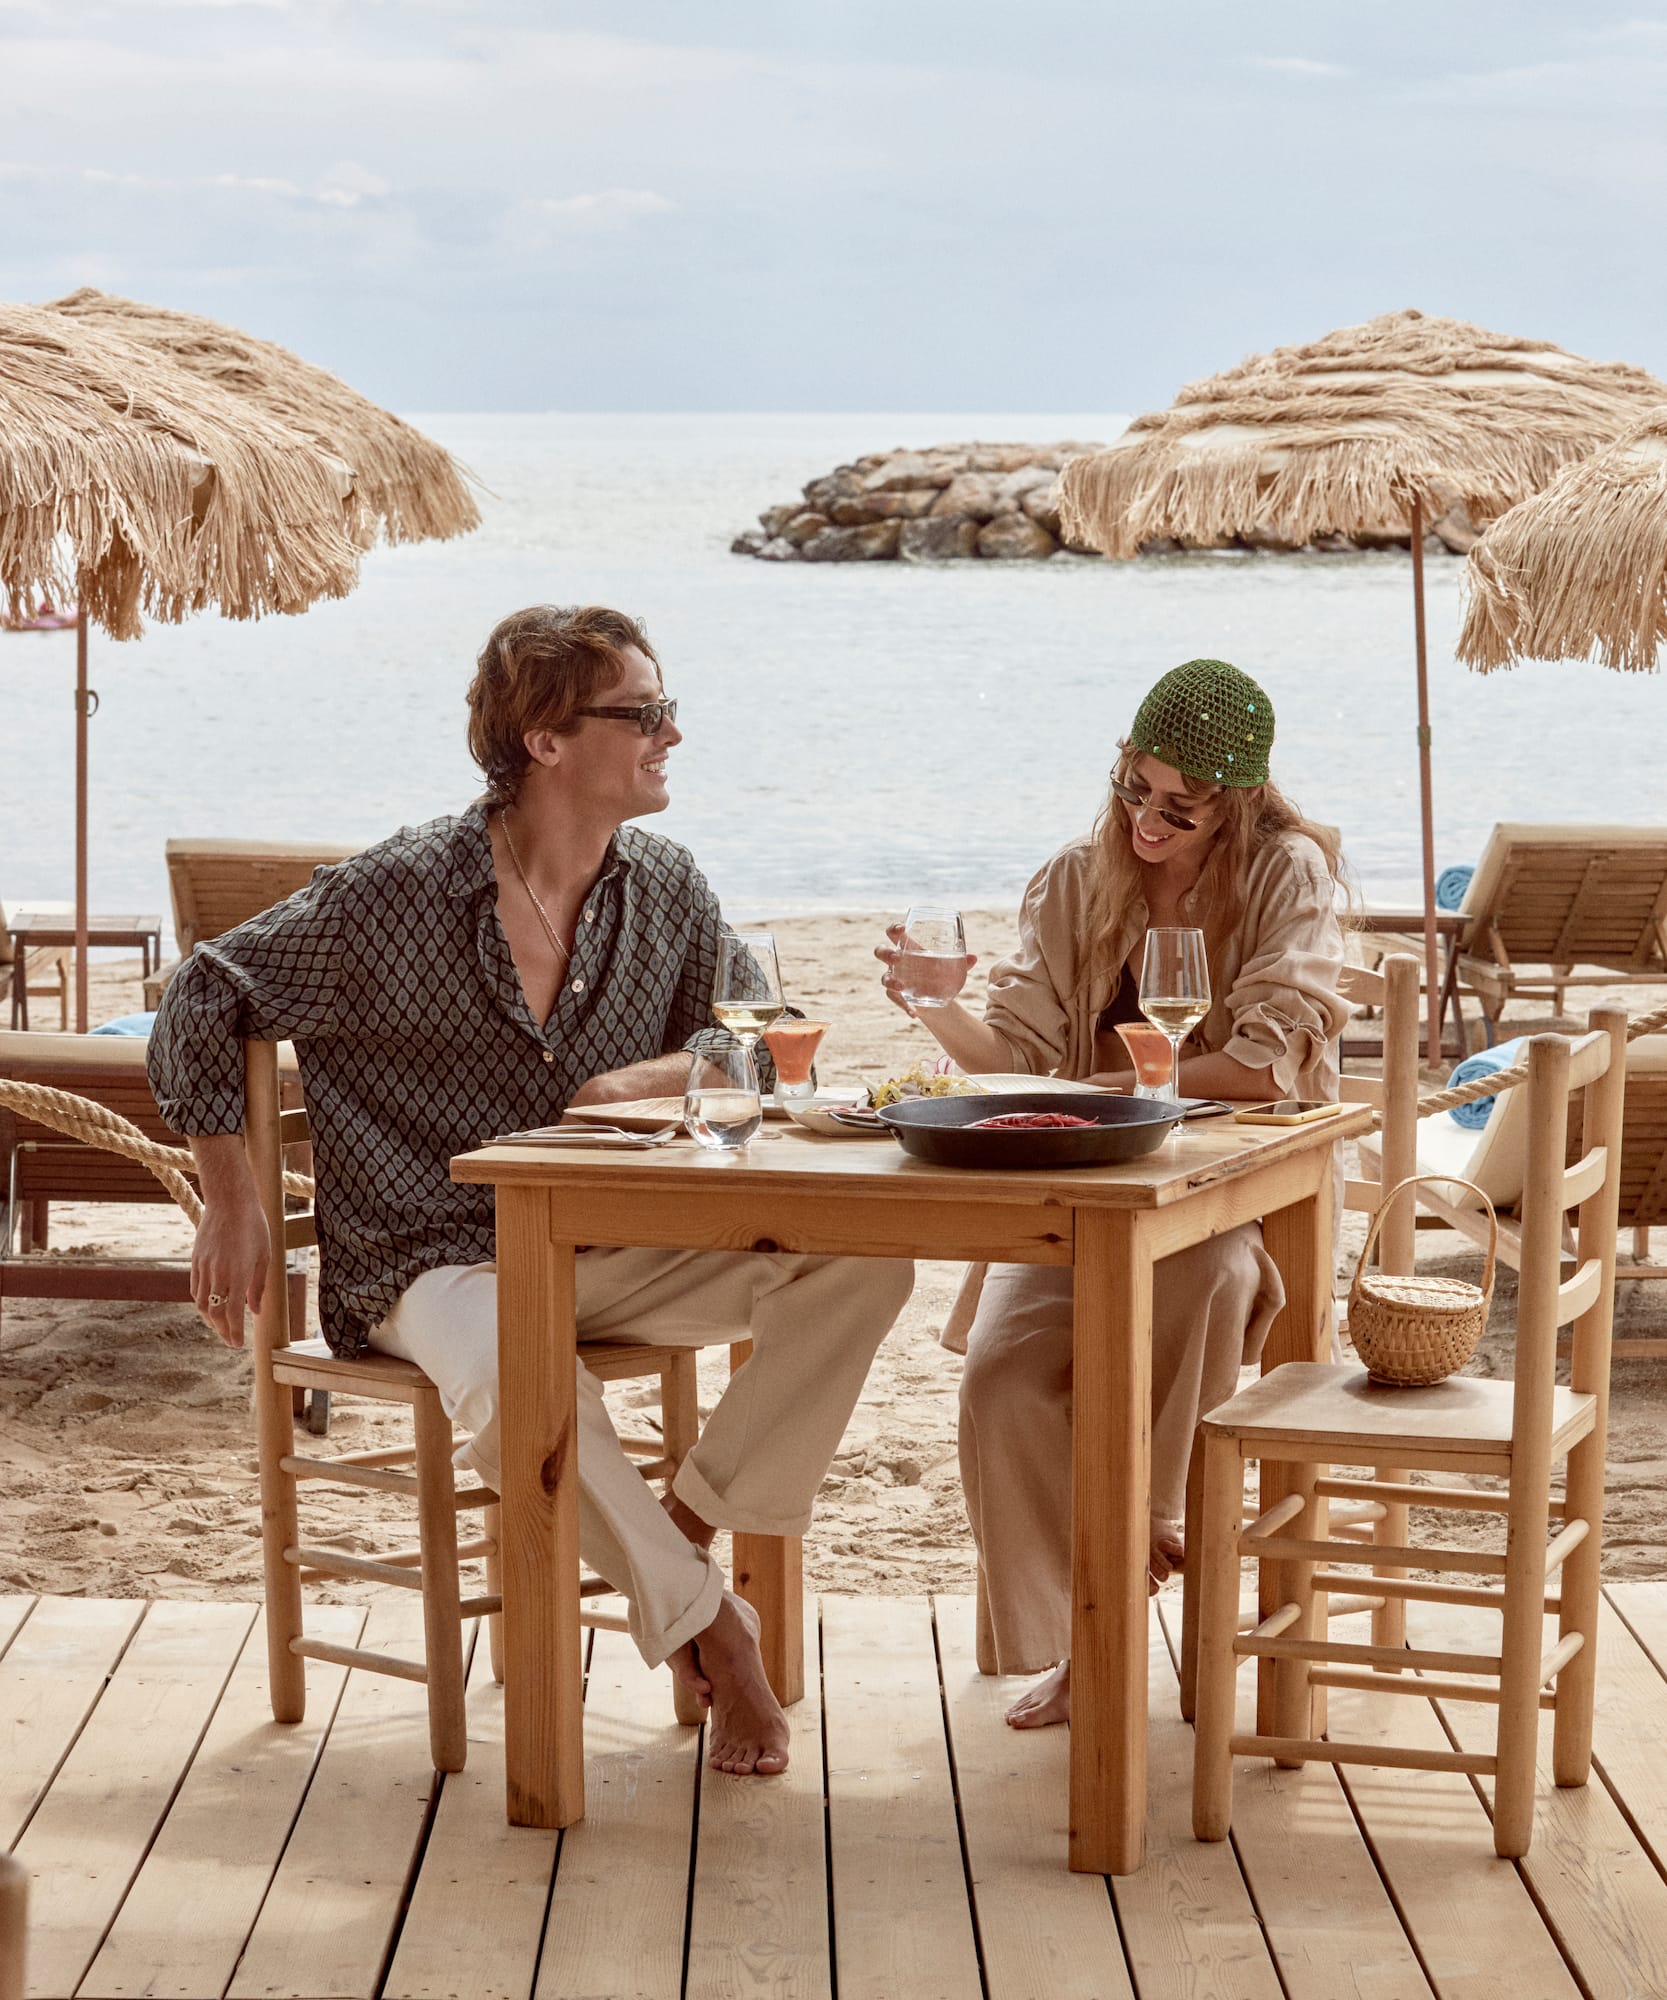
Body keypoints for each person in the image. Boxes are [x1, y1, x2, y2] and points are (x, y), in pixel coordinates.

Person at [149, 603, 913, 1778]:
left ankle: (676, 1535)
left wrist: (637, 1073)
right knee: (517, 1368)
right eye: (643, 712)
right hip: (426, 1258)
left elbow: (761, 1037)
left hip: (604, 1242)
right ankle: (712, 1620)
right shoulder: (391, 895)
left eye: (669, 710)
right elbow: (203, 993)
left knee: (862, 1255)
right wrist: (234, 1196)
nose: (670, 734)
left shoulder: (665, 887)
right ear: (546, 737)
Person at [876, 658, 1347, 1728]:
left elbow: (1267, 1061)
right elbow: (1010, 1058)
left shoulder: (1287, 876)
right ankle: (1086, 1616)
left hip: (1230, 1191)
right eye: (1133, 787)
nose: (1146, 818)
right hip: (1081, 1200)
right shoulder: (1075, 880)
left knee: (1216, 1272)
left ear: (1237, 801)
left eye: (1179, 805)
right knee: (996, 1380)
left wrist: (1107, 1086)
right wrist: (933, 1007)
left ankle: (1137, 1535)